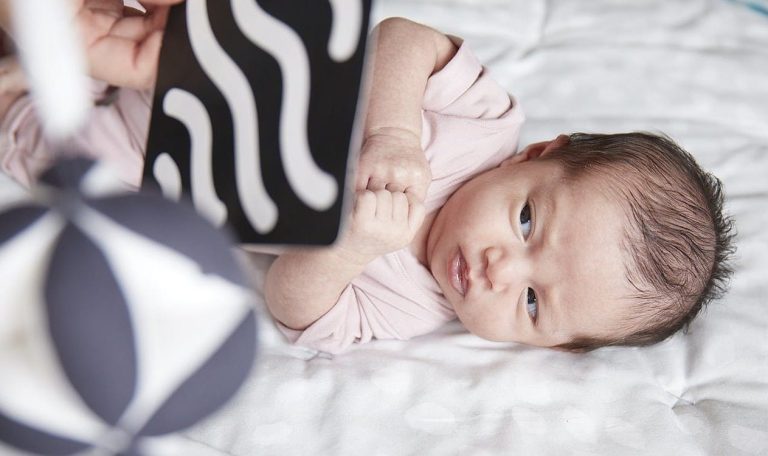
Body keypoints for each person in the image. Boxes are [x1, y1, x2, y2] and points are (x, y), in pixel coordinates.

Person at [0, 13, 735, 355]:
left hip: (156, 166)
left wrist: (349, 248)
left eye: (533, 303)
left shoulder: (412, 309)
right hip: (212, 68)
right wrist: (393, 134)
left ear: (549, 346)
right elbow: (402, 38)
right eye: (526, 224)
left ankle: (19, 90)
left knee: (79, 186)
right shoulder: (486, 123)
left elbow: (290, 305)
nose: (498, 270)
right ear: (538, 153)